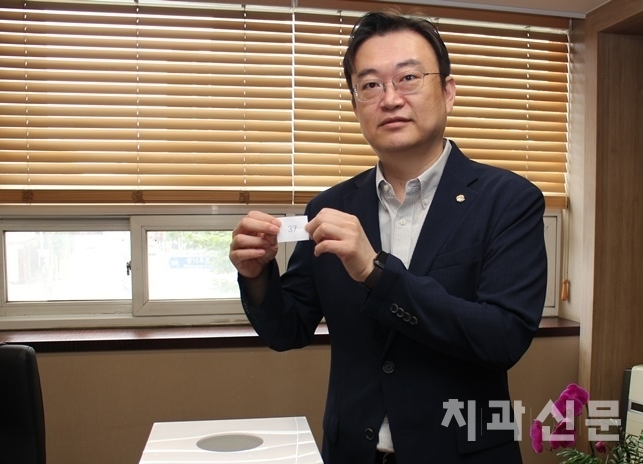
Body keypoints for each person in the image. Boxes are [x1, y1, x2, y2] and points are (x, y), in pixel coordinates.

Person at [229, 9, 547, 464]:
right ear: (356, 103)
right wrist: (257, 275)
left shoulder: (509, 200)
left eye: (408, 78)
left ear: (448, 91)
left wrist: (376, 272)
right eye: (371, 85)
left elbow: (503, 338)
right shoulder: (329, 207)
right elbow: (287, 329)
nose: (390, 99)